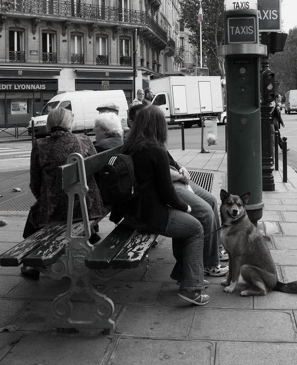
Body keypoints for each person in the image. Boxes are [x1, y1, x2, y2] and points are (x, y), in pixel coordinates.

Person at [123, 104, 210, 306]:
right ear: (158, 126)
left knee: (187, 224)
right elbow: (168, 193)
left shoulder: (131, 147)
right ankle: (192, 289)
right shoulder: (156, 151)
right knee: (195, 227)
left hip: (133, 211)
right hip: (149, 215)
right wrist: (185, 207)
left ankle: (187, 275)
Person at [22, 107, 107, 279]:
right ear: (69, 124)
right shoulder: (84, 140)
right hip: (87, 208)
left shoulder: (40, 146)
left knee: (34, 218)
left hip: (54, 210)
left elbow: (34, 183)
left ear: (49, 124)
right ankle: (91, 234)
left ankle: (32, 264)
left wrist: (45, 198)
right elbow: (97, 172)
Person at [168, 154, 229, 275]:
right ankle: (209, 264)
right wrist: (181, 175)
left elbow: (170, 161)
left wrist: (181, 168)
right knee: (205, 212)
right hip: (173, 183)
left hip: (179, 180)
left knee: (211, 200)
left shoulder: (157, 143)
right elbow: (162, 173)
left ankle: (215, 251)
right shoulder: (148, 146)